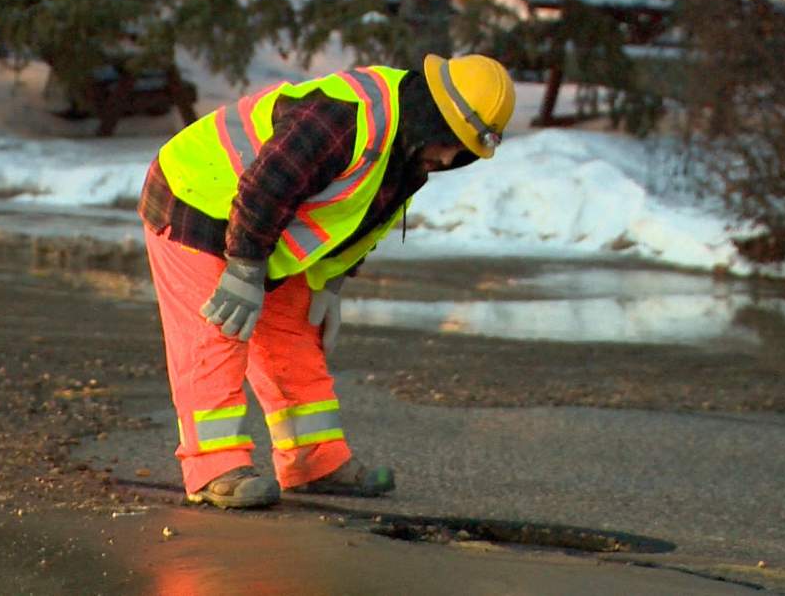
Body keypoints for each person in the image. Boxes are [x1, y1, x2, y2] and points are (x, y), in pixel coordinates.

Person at [138, 53, 516, 509]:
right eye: (452, 142)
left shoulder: (412, 149)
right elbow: (265, 188)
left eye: (465, 154)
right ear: (432, 116)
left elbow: (363, 219)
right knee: (218, 331)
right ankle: (213, 469)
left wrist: (330, 284)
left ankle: (313, 462)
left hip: (260, 224)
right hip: (194, 197)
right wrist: (243, 270)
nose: (449, 157)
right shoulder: (343, 117)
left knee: (295, 336)